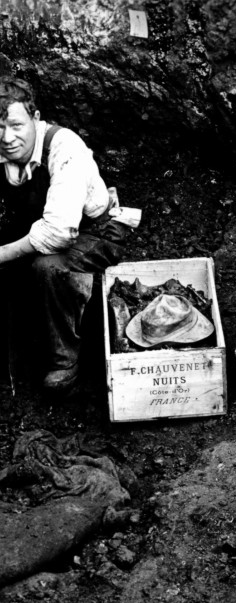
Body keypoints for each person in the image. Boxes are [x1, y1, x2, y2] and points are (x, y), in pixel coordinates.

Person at [0, 76, 131, 394]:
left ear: (35, 118)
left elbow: (60, 232)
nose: (7, 138)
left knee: (48, 267)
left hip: (94, 231)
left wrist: (3, 253)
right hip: (38, 224)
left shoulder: (64, 147)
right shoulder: (4, 147)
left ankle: (65, 361)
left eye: (16, 125)